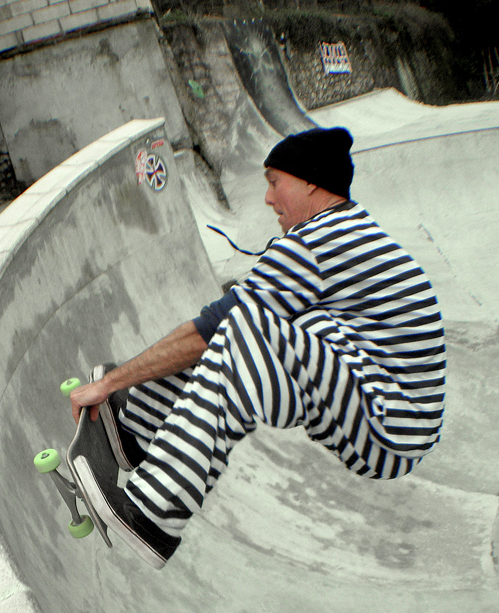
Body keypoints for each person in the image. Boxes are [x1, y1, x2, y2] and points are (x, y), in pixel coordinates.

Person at [69, 128, 447, 569]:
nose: (268, 199)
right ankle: (137, 432)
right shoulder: (350, 228)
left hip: (388, 425)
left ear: (310, 181)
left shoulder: (319, 242)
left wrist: (111, 383)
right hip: (375, 403)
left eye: (274, 182)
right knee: (250, 311)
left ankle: (154, 513)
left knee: (241, 322)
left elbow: (207, 332)